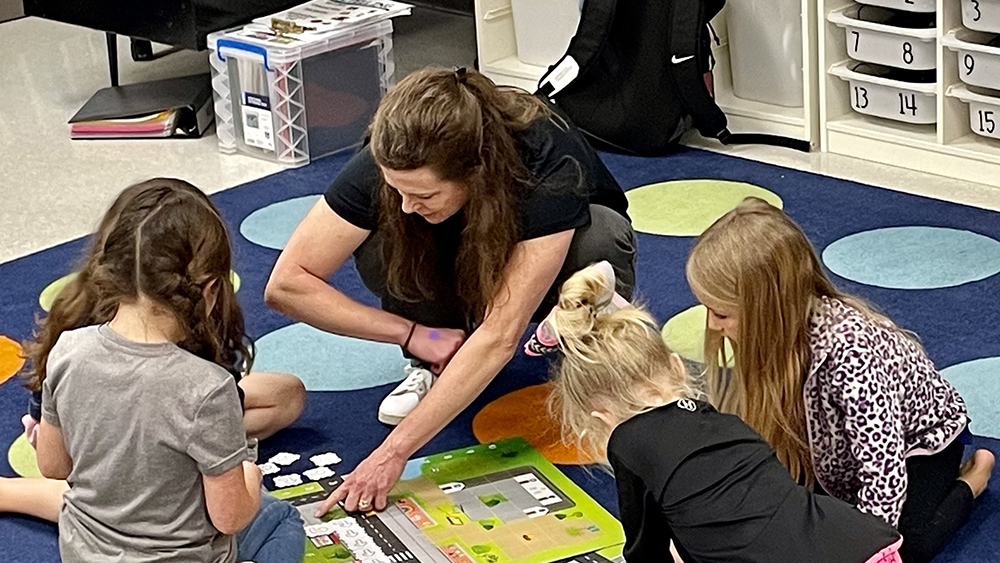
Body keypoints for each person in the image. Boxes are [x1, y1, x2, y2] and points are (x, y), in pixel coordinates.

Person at [265, 67, 636, 514]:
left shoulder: (546, 155)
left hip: (544, 261)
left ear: (475, 173)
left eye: (424, 193)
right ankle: (435, 355)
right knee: (384, 234)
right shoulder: (396, 157)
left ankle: (597, 361)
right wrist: (409, 333)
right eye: (397, 188)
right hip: (462, 264)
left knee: (600, 236)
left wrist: (393, 452)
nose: (406, 203)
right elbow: (287, 284)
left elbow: (502, 334)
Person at [685, 197, 996, 563]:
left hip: (921, 441)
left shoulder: (852, 353)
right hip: (836, 448)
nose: (711, 325)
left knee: (903, 547)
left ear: (767, 310)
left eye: (721, 313)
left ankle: (972, 480)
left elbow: (883, 471)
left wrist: (864, 551)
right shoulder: (770, 336)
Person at [545, 263, 905, 563]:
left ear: (600, 419)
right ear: (677, 367)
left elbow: (646, 551)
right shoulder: (725, 423)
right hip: (866, 543)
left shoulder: (628, 442)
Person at [27, 179, 305, 563]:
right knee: (282, 520)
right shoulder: (207, 388)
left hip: (83, 554)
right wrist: (250, 478)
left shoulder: (67, 350)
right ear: (210, 289)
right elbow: (230, 517)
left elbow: (53, 466)